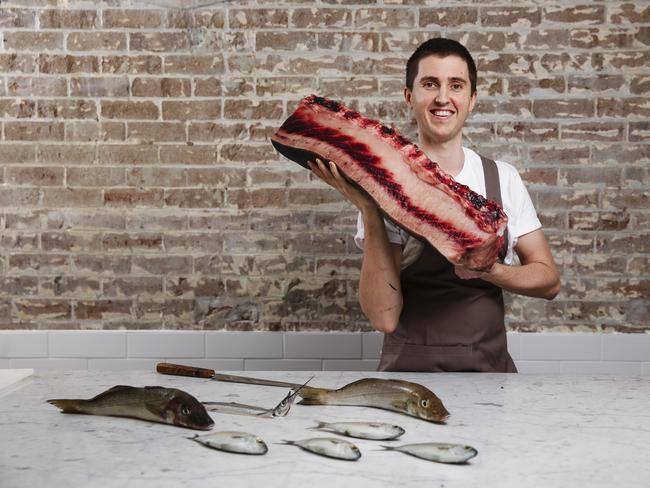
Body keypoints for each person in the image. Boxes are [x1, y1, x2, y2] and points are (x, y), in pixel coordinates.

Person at [308, 38, 560, 372]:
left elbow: (549, 282)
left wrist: (489, 269)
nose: (443, 97)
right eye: (430, 84)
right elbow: (383, 317)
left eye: (456, 85)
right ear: (409, 96)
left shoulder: (502, 178)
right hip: (408, 379)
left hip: (489, 373)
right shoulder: (383, 187)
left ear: (472, 99)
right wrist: (370, 210)